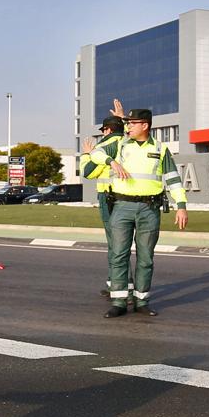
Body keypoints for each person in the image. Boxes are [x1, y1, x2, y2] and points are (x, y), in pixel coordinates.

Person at [87, 108, 188, 317]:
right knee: (118, 255)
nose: (128, 126)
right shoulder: (119, 144)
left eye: (133, 123)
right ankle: (119, 301)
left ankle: (142, 301)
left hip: (149, 209)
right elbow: (95, 153)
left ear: (145, 125)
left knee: (146, 258)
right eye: (127, 123)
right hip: (122, 207)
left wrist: (181, 206)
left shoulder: (161, 149)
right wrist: (111, 161)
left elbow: (173, 179)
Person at [82, 114, 126, 299]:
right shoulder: (127, 142)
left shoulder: (102, 148)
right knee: (126, 244)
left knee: (115, 245)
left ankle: (116, 285)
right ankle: (124, 285)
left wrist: (86, 154)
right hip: (129, 198)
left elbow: (88, 173)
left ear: (107, 130)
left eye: (103, 130)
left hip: (109, 198)